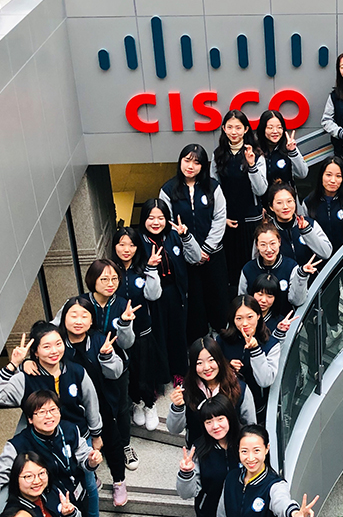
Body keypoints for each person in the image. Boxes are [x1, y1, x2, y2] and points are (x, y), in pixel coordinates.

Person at [0, 323, 102, 517]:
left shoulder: (76, 371)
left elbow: (91, 403)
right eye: (46, 346)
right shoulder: (26, 377)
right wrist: (15, 364)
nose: (54, 351)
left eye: (58, 344)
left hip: (76, 437)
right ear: (35, 352)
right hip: (41, 446)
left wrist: (96, 435)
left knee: (89, 485)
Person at [55, 296, 131, 506]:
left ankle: (119, 481)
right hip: (70, 408)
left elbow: (116, 372)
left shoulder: (99, 339)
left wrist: (107, 356)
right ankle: (92, 475)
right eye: (73, 315)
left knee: (112, 443)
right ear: (63, 318)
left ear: (91, 320)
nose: (78, 321)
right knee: (78, 448)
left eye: (84, 315)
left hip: (102, 403)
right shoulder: (58, 343)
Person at [0, 391, 103, 517]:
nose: (49, 416)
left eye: (53, 409)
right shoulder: (18, 445)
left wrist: (91, 461)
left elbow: (82, 455)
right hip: (51, 502)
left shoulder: (70, 429)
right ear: (30, 419)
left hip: (77, 492)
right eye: (41, 412)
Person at [160, 143, 230, 339]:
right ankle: (199, 344)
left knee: (217, 298)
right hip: (185, 259)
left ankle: (222, 339)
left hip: (213, 255)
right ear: (180, 161)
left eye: (196, 162)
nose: (190, 166)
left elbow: (219, 219)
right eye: (187, 160)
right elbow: (168, 224)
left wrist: (206, 249)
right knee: (194, 303)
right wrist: (192, 251)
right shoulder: (168, 190)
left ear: (203, 166)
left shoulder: (213, 187)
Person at [110, 226, 166, 470]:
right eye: (121, 244)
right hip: (118, 337)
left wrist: (153, 268)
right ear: (114, 246)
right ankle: (134, 402)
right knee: (127, 373)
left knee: (145, 370)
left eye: (131, 244)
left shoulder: (143, 270)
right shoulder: (109, 271)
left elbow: (154, 295)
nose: (126, 249)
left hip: (143, 332)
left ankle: (149, 404)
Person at [137, 198, 203, 387]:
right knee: (156, 336)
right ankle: (159, 377)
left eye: (160, 218)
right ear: (143, 219)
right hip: (150, 297)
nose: (156, 222)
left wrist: (186, 236)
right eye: (151, 218)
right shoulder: (139, 241)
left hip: (175, 293)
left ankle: (179, 372)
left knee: (177, 334)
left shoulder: (174, 236)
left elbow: (196, 257)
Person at [300, 157, 343, 331]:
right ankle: (334, 325)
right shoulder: (308, 203)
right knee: (330, 296)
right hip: (324, 262)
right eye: (328, 175)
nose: (333, 180)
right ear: (321, 176)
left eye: (338, 176)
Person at [213, 110, 268, 291]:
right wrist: (223, 218)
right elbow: (214, 189)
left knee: (253, 269)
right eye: (229, 127)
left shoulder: (257, 154)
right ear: (223, 129)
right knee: (232, 273)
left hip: (251, 221)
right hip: (228, 222)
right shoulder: (218, 155)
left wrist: (251, 165)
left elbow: (261, 189)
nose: (234, 131)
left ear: (245, 129)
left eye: (238, 127)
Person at [167, 337, 256, 447]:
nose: (206, 367)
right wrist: (177, 407)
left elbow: (250, 425)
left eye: (211, 360)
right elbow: (174, 429)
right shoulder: (186, 390)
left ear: (220, 359)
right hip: (200, 452)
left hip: (232, 449)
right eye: (199, 363)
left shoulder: (239, 387)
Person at [213, 425, 318, 517]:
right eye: (244, 451)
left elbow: (281, 501)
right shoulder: (231, 478)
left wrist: (294, 513)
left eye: (256, 450)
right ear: (238, 450)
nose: (250, 458)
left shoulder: (274, 484)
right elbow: (222, 513)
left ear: (267, 448)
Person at [176, 395, 243, 517]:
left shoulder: (245, 442)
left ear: (230, 418)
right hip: (210, 512)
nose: (215, 426)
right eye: (209, 422)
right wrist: (186, 473)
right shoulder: (199, 449)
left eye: (220, 419)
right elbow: (185, 494)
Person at [218, 297, 282, 417]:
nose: (245, 323)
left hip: (257, 404)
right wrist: (227, 366)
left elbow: (265, 380)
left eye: (250, 317)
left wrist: (255, 350)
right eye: (239, 318)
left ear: (258, 316)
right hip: (225, 403)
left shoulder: (271, 344)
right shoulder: (222, 340)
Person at [237, 222, 316, 317]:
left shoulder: (290, 266)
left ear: (279, 242)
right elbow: (242, 300)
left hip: (286, 322)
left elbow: (297, 301)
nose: (269, 249)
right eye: (263, 245)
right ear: (257, 245)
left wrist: (302, 275)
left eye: (272, 243)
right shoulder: (248, 269)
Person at [266, 182, 333, 268]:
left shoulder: (309, 223)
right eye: (279, 203)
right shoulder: (267, 231)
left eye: (289, 201)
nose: (285, 206)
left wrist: (307, 232)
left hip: (314, 278)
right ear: (271, 206)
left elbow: (326, 253)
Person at [0, 452, 79, 517]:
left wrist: (70, 514)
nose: (37, 481)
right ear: (16, 479)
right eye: (28, 476)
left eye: (41, 473)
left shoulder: (51, 492)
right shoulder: (19, 514)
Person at [256, 110, 308, 189]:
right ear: (263, 129)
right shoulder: (255, 150)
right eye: (270, 127)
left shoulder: (288, 147)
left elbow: (302, 174)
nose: (275, 131)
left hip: (285, 198)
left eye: (279, 127)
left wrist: (293, 151)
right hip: (263, 199)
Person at [249, 273, 294, 339]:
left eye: (269, 296)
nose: (264, 300)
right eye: (260, 294)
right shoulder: (241, 317)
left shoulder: (281, 322)